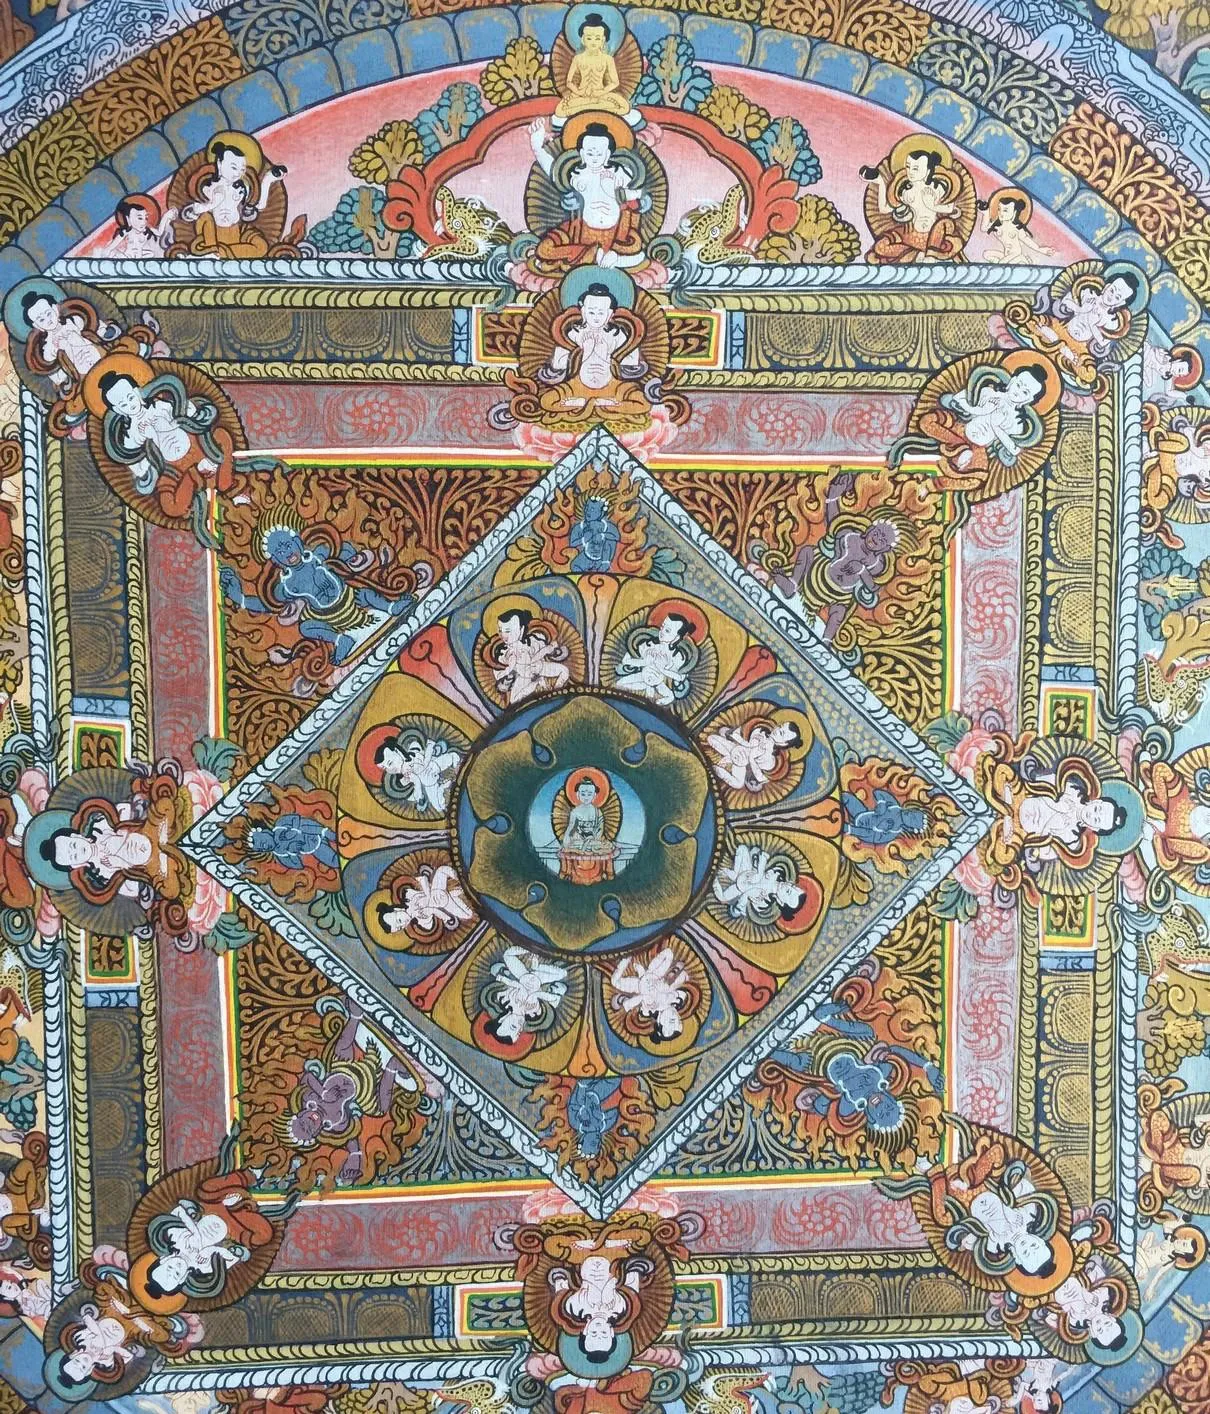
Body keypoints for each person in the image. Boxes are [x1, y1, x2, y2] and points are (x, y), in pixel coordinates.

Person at [98, 368, 235, 519]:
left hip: (194, 446)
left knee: (221, 436)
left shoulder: (160, 406)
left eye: (130, 397)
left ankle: (224, 481)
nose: (130, 405)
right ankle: (195, 475)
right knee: (170, 508)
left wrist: (173, 422)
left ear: (137, 391)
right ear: (117, 410)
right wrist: (148, 439)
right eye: (123, 405)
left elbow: (189, 412)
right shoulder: (131, 435)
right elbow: (139, 468)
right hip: (171, 467)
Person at [530, 120, 646, 272]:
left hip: (616, 232)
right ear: (582, 154)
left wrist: (624, 194)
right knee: (544, 249)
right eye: (590, 153)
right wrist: (537, 147)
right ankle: (594, 256)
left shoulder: (620, 173)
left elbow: (639, 195)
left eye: (600, 153)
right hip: (581, 231)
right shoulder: (577, 175)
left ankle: (604, 257)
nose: (595, 157)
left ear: (608, 154)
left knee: (636, 248)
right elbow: (553, 170)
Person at [538, 284, 650, 427]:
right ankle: (599, 404)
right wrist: (581, 353)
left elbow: (632, 363)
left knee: (643, 402)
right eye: (591, 312)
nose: (596, 317)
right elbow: (558, 364)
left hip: (612, 385)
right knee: (546, 401)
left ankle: (593, 404)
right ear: (583, 311)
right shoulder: (574, 333)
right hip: (577, 385)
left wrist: (609, 356)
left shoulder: (618, 335)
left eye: (601, 313)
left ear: (610, 314)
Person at [183, 137, 286, 258]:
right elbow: (190, 213)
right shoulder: (208, 187)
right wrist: (211, 204)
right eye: (233, 168)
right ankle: (215, 251)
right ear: (219, 164)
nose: (237, 173)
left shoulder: (241, 189)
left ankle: (218, 253)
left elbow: (259, 206)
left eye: (242, 169)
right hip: (212, 234)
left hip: (235, 232)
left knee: (261, 247)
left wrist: (268, 179)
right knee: (206, 218)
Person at [863, 148, 965, 264]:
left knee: (945, 224)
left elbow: (951, 208)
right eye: (908, 167)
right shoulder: (907, 192)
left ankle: (931, 254)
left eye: (915, 168)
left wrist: (932, 206)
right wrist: (880, 182)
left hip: (934, 237)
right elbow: (884, 209)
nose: (910, 171)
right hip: (911, 237)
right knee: (880, 246)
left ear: (927, 171)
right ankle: (915, 254)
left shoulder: (936, 188)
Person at [554, 13, 633, 119]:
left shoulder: (607, 59)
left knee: (624, 106)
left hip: (601, 94)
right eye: (589, 38)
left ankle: (584, 109)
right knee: (559, 111)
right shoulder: (578, 58)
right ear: (583, 40)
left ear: (603, 40)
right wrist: (578, 92)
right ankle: (598, 109)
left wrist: (602, 91)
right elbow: (569, 82)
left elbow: (615, 82)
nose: (593, 42)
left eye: (597, 38)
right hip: (581, 95)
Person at [489, 607, 571, 702]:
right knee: (514, 700)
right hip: (524, 675)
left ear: (521, 629)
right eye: (500, 630)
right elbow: (502, 670)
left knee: (564, 671)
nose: (503, 635)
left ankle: (556, 691)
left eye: (507, 631)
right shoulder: (503, 651)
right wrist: (510, 669)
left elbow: (538, 656)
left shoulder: (532, 641)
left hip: (539, 667)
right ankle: (536, 685)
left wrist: (549, 649)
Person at [488, 947, 568, 1044]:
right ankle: (537, 967)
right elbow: (556, 999)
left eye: (513, 1027)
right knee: (563, 973)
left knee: (507, 955)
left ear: (502, 1019)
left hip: (522, 975)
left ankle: (528, 948)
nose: (520, 1027)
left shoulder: (507, 999)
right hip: (539, 979)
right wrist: (537, 994)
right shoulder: (534, 1013)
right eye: (519, 1032)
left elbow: (514, 984)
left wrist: (503, 979)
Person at [614, 611, 693, 705]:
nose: (662, 632)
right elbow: (640, 661)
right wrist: (628, 660)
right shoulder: (649, 645)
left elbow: (675, 675)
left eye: (667, 631)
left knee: (668, 696)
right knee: (619, 683)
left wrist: (664, 671)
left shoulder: (676, 656)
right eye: (662, 627)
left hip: (658, 682)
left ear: (676, 638)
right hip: (642, 676)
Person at [610, 948, 690, 1040]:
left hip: (639, 986)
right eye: (678, 1019)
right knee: (669, 954)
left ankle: (626, 958)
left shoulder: (647, 1011)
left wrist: (627, 1002)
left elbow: (638, 999)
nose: (675, 1016)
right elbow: (674, 982)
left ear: (659, 1022)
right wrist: (675, 971)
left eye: (671, 1020)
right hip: (655, 975)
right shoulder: (675, 999)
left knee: (615, 982)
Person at [713, 843, 804, 923]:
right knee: (742, 848)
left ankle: (713, 878)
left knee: (722, 897)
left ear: (781, 902)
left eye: (788, 891)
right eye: (792, 885)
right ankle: (734, 873)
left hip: (739, 888)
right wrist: (759, 863)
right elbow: (763, 866)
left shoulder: (764, 902)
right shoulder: (776, 874)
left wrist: (743, 905)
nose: (788, 885)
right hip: (746, 872)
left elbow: (747, 906)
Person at [705, 718, 801, 792]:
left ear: (784, 743)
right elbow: (744, 739)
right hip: (735, 749)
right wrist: (735, 736)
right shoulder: (760, 730)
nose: (777, 731)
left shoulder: (770, 759)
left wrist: (753, 758)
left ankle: (718, 770)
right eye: (780, 726)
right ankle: (725, 759)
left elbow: (759, 774)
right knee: (711, 738)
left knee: (738, 784)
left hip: (741, 764)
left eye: (781, 733)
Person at [374, 734, 461, 815]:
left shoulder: (412, 756)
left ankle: (438, 751)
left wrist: (429, 750)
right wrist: (419, 797)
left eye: (390, 763)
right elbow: (416, 782)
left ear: (397, 751)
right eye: (385, 768)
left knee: (450, 759)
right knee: (439, 807)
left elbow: (419, 752)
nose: (389, 769)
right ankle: (443, 786)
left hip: (431, 766)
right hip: (429, 782)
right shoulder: (405, 774)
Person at [377, 865, 473, 937]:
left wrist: (428, 895)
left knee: (443, 870)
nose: (403, 923)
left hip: (436, 890)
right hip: (445, 904)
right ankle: (453, 895)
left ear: (397, 909)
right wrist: (440, 915)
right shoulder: (421, 921)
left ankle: (464, 880)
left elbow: (423, 879)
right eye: (400, 927)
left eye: (399, 920)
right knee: (468, 915)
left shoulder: (408, 896)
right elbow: (438, 913)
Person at [558, 773, 618, 884]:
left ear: (594, 796)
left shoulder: (597, 812)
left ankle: (604, 873)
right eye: (583, 793)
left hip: (594, 841)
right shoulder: (575, 812)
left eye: (589, 794)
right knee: (569, 847)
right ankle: (571, 873)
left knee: (607, 846)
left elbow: (600, 829)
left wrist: (594, 838)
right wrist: (568, 838)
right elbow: (572, 828)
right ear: (577, 795)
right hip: (579, 841)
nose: (586, 797)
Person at [979, 191, 1056, 264]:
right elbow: (984, 228)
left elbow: (1025, 239)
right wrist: (986, 214)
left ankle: (1021, 259)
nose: (1001, 213)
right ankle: (1018, 261)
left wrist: (1040, 249)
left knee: (1002, 263)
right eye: (999, 209)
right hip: (1006, 254)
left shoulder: (1016, 227)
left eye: (1005, 210)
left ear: (1014, 212)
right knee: (986, 254)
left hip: (1015, 254)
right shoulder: (997, 225)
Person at [105, 195, 177, 259]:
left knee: (151, 254)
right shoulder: (125, 232)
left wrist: (166, 217)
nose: (143, 222)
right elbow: (110, 247)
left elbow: (159, 233)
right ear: (128, 219)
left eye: (146, 218)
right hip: (128, 257)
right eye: (139, 218)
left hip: (140, 258)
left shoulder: (145, 231)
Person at [569, 497, 621, 572]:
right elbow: (572, 543)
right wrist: (584, 539)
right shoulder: (579, 527)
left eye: (592, 509)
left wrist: (602, 535)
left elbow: (617, 537)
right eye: (587, 508)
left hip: (602, 558)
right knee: (574, 566)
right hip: (586, 556)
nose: (588, 511)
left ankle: (605, 564)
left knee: (611, 540)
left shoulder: (608, 526)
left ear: (602, 513)